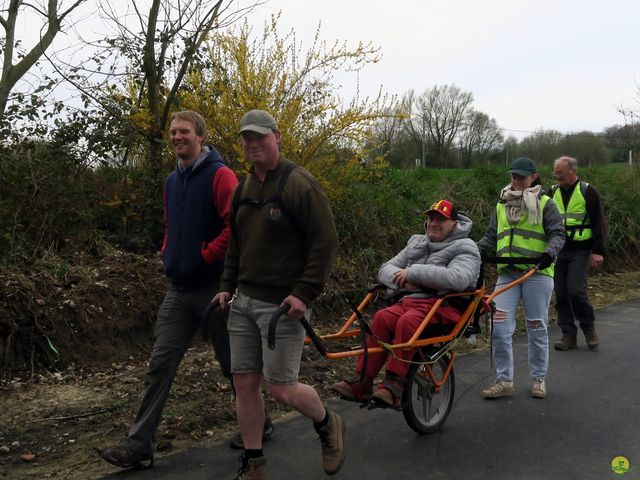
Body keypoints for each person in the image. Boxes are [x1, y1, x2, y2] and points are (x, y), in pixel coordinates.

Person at [100, 111, 272, 469]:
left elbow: (236, 226)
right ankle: (139, 445)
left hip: (215, 289)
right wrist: (167, 252)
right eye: (173, 132)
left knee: (233, 366)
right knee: (161, 364)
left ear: (200, 136)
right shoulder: (171, 182)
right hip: (178, 290)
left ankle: (260, 423)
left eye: (184, 132)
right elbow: (170, 225)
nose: (177, 137)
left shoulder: (220, 176)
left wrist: (205, 255)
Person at [212, 110, 342, 480]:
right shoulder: (243, 189)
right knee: (244, 385)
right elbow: (236, 246)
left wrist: (304, 293)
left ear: (277, 136)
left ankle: (327, 423)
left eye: (259, 137)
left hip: (283, 306)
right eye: (246, 139)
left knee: (281, 388)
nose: (252, 144)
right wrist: (225, 287)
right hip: (243, 302)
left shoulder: (299, 184)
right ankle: (255, 464)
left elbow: (325, 241)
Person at [331, 199, 481, 407]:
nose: (433, 223)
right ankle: (362, 383)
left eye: (441, 220)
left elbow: (458, 278)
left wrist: (413, 273)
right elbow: (385, 268)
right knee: (381, 318)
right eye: (430, 218)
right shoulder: (417, 242)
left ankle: (393, 386)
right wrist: (402, 279)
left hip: (444, 306)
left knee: (408, 322)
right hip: (411, 301)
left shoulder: (466, 247)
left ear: (454, 224)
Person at [478, 157, 565, 400]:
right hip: (507, 273)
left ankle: (538, 379)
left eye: (521, 177)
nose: (516, 181)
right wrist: (471, 250)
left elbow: (558, 234)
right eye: (513, 177)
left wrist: (549, 253)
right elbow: (490, 238)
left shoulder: (546, 203)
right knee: (499, 327)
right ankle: (504, 380)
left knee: (536, 326)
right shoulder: (501, 205)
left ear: (534, 177)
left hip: (536, 273)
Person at [551, 156, 605, 350]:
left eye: (561, 173)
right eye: (555, 172)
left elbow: (599, 222)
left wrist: (597, 251)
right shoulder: (552, 192)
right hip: (557, 251)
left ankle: (589, 328)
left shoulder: (588, 191)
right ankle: (568, 335)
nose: (557, 177)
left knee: (576, 291)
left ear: (573, 172)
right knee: (561, 294)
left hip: (580, 251)